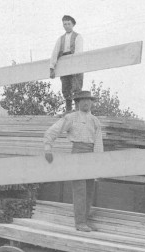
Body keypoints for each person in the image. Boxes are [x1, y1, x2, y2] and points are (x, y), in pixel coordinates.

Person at [43, 90, 103, 232]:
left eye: (89, 100)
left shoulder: (95, 121)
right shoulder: (71, 118)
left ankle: (86, 221)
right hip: (77, 154)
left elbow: (99, 143)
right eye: (83, 100)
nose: (86, 103)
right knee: (80, 190)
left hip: (91, 155)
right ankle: (80, 222)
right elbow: (53, 131)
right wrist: (47, 147)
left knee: (89, 190)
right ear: (77, 103)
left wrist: (100, 164)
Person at [50, 15, 84, 113]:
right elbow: (55, 53)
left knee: (77, 87)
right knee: (66, 87)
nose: (67, 26)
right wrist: (52, 67)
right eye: (65, 24)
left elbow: (78, 53)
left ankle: (78, 110)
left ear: (72, 24)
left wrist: (75, 67)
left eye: (69, 24)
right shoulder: (60, 39)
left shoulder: (78, 37)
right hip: (64, 63)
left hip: (75, 63)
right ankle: (68, 110)